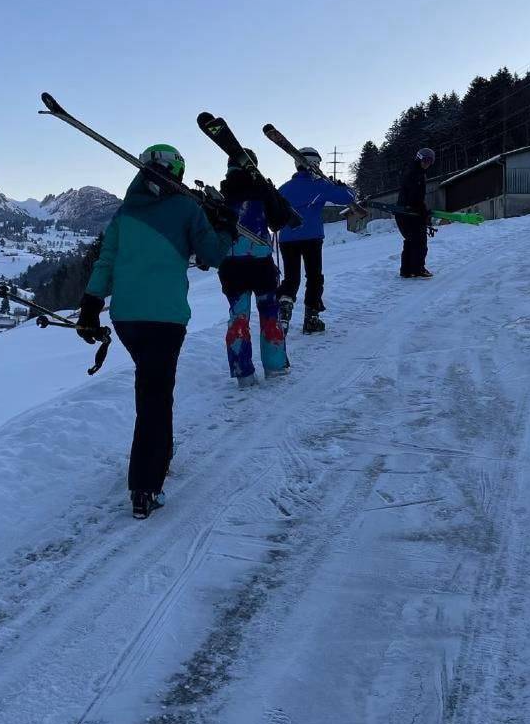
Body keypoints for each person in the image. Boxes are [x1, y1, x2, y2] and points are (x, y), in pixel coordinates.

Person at [77, 144, 237, 520]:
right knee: (156, 397)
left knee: (150, 387)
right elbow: (213, 255)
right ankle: (146, 484)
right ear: (177, 172)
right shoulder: (186, 208)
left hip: (127, 318)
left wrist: (90, 304)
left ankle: (158, 452)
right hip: (165, 319)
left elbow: (106, 261)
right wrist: (226, 226)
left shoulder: (125, 212)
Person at [217, 150, 295, 388]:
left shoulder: (221, 196)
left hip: (232, 267)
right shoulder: (262, 191)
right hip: (261, 264)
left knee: (238, 316)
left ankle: (243, 373)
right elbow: (279, 220)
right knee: (270, 313)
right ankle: (275, 367)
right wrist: (271, 192)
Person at [276, 147, 357, 334]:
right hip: (311, 237)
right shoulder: (320, 186)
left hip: (287, 238)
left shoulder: (284, 188)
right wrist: (342, 186)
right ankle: (311, 318)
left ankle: (284, 309)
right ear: (315, 164)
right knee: (314, 277)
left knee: (291, 277)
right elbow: (348, 197)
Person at [397, 147, 436, 278]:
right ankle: (418, 269)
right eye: (425, 160)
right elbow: (415, 198)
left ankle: (406, 270)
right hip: (410, 214)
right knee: (420, 242)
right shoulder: (416, 174)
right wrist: (423, 212)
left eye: (430, 161)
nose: (427, 164)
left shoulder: (413, 171)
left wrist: (422, 210)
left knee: (411, 241)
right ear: (419, 159)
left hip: (405, 213)